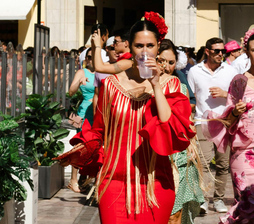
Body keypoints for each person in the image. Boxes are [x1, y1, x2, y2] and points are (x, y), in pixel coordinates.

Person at [60, 13, 195, 223]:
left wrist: (156, 84)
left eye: (150, 45)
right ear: (129, 48)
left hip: (155, 182)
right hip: (114, 181)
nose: (144, 51)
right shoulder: (111, 85)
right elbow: (98, 131)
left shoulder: (171, 85)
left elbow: (169, 127)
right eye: (139, 45)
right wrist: (78, 153)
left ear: (158, 46)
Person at [203, 32, 254, 223]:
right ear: (247, 52)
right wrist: (234, 112)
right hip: (243, 155)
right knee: (246, 209)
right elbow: (227, 122)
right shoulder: (239, 82)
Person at [187, 37, 237, 214]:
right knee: (204, 162)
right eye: (216, 51)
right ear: (207, 51)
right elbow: (190, 98)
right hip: (202, 121)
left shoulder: (231, 71)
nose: (221, 54)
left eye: (223, 51)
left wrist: (225, 94)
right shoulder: (194, 71)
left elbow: (239, 97)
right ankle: (201, 199)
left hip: (224, 121)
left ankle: (218, 199)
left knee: (223, 165)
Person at [157, 39, 204, 224]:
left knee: (175, 213)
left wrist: (192, 144)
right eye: (162, 60)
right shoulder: (144, 87)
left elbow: (187, 121)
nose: (166, 66)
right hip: (153, 155)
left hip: (179, 156)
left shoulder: (181, 87)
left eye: (171, 62)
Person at [67, 47, 96, 193]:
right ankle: (73, 179)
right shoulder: (81, 72)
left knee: (95, 145)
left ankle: (87, 177)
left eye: (94, 56)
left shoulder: (103, 71)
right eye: (89, 57)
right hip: (85, 112)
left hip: (98, 112)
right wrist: (79, 82)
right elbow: (71, 92)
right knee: (81, 144)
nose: (91, 59)